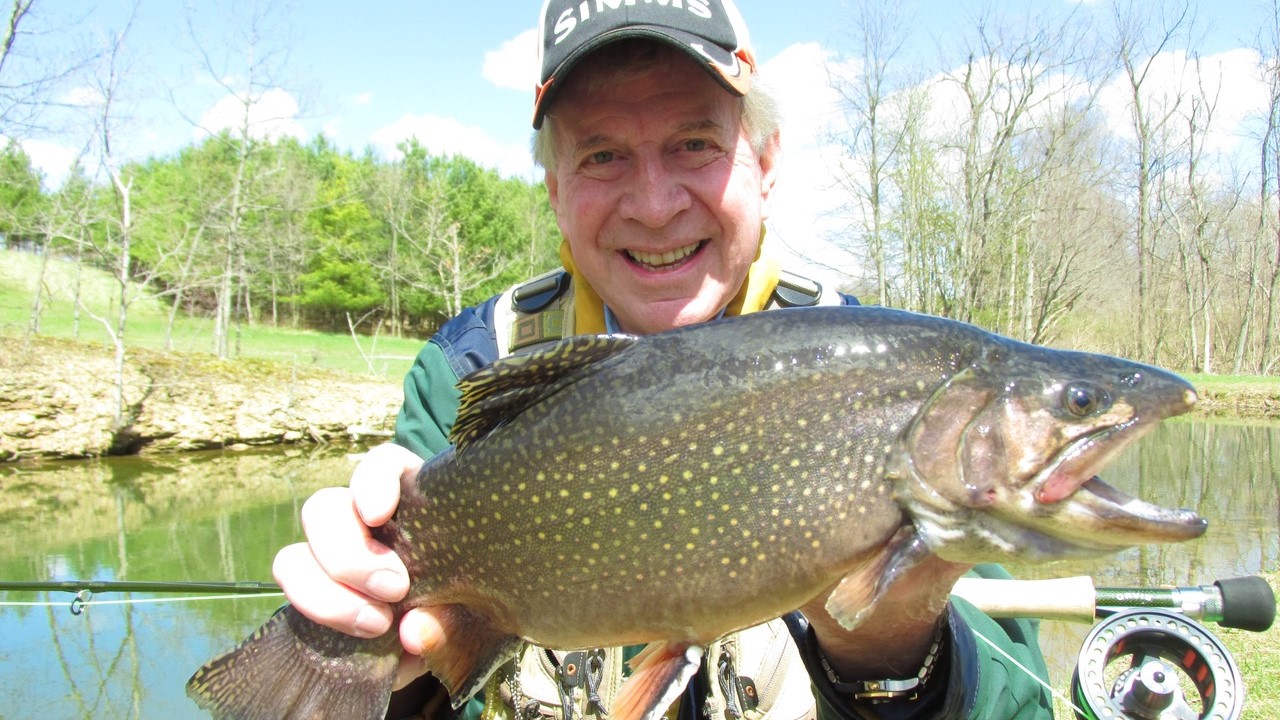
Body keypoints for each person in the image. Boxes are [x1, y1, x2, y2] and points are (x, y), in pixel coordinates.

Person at [272, 1, 1054, 719]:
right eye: (603, 155)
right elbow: (421, 671)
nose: (654, 205)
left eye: (695, 144)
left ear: (766, 162)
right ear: (555, 190)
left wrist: (893, 657)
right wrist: (379, 657)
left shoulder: (885, 376)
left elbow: (1017, 698)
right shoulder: (467, 371)